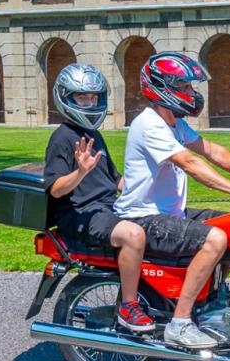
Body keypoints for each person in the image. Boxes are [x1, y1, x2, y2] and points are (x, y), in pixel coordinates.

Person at [114, 52, 230, 349]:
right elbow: (191, 163)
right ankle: (180, 323)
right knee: (215, 239)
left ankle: (215, 300)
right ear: (162, 87)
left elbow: (210, 150)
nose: (191, 93)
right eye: (184, 87)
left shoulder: (173, 122)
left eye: (189, 87)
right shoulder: (150, 124)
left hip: (171, 213)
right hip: (142, 217)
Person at [41, 63, 156, 334]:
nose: (90, 103)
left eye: (94, 97)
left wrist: (151, 183)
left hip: (105, 208)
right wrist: (80, 171)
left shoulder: (93, 134)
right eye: (82, 97)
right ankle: (128, 307)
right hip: (78, 213)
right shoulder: (62, 138)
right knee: (133, 235)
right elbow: (56, 188)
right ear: (66, 98)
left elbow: (115, 180)